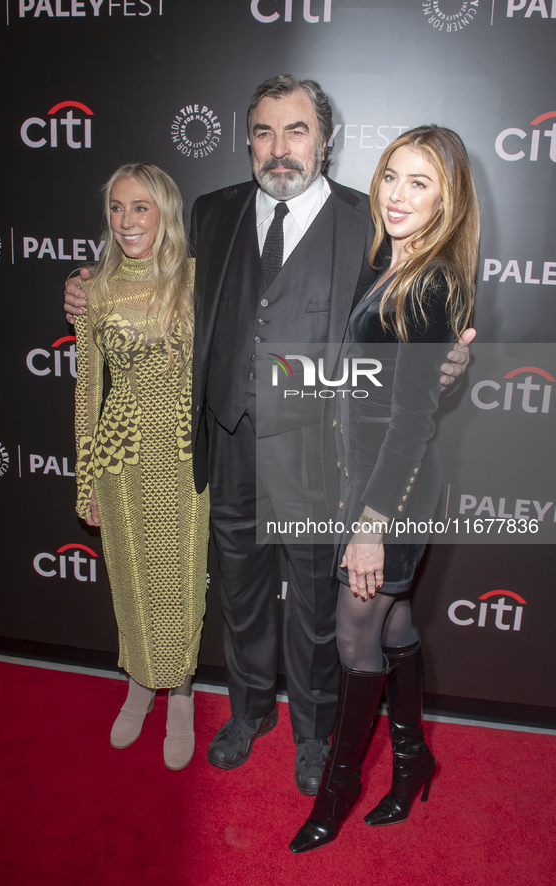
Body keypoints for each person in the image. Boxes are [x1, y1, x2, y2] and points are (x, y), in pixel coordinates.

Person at [65, 75, 473, 794]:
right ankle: (248, 711)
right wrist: (89, 287)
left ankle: (314, 733)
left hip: (320, 455)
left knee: (318, 609)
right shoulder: (213, 210)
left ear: (325, 140)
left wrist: (445, 361)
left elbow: (402, 320)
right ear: (246, 139)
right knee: (242, 594)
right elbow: (157, 277)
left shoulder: (367, 222)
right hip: (226, 442)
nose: (278, 148)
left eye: (295, 131)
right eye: (263, 132)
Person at [290, 125, 479, 852]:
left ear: (446, 200)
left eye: (419, 183)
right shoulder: (387, 258)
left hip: (389, 493)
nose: (397, 195)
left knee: (353, 635)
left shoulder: (429, 282)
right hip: (366, 483)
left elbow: (408, 425)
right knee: (392, 626)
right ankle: (412, 762)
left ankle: (337, 792)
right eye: (391, 176)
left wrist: (368, 527)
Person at [74, 163, 209, 771]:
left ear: (165, 214)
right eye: (117, 208)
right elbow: (86, 394)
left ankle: (179, 692)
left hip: (184, 455)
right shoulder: (94, 289)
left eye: (141, 208)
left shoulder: (197, 280)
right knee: (128, 580)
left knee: (179, 581)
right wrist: (86, 482)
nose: (127, 221)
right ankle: (137, 681)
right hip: (120, 457)